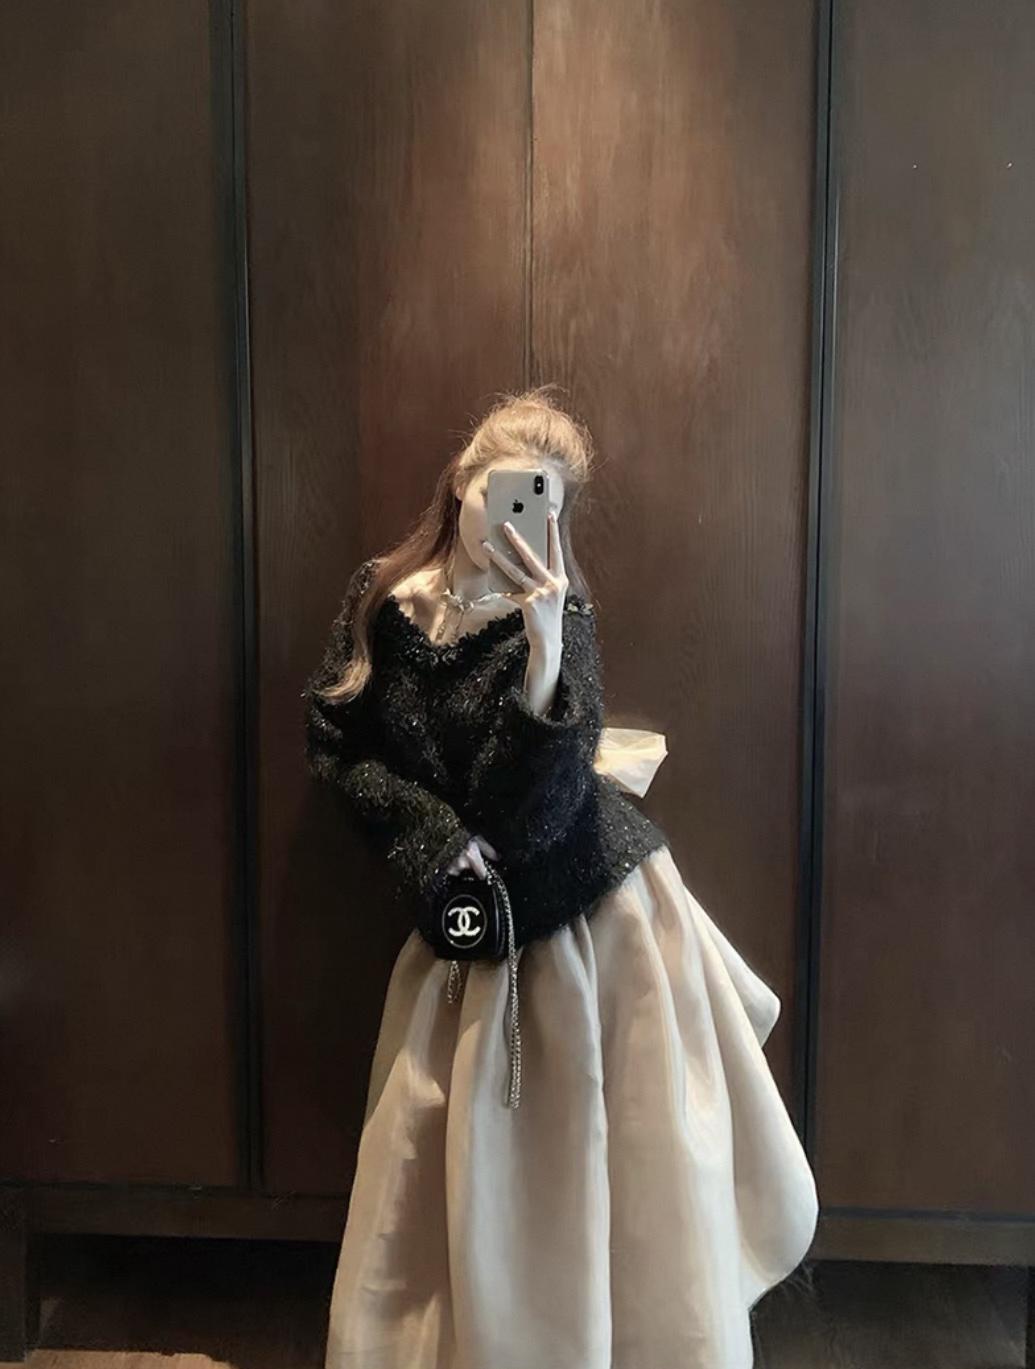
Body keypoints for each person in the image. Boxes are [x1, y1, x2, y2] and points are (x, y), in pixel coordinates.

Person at [303, 386, 819, 1369]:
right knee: (447, 1142)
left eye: (540, 500)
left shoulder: (561, 617)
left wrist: (543, 657)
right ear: (460, 482)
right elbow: (335, 741)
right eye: (499, 491)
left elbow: (537, 818)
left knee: (607, 1142)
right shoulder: (384, 598)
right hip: (461, 910)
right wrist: (431, 839)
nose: (515, 520)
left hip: (591, 909)